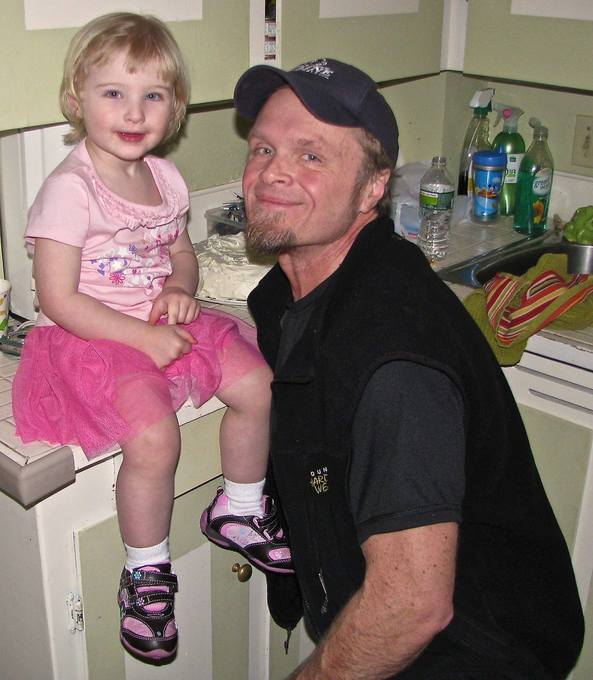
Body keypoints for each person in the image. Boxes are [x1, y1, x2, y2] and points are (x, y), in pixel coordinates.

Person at [233, 57, 585, 679]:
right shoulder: (291, 292)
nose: (273, 172)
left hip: (476, 653)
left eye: (311, 156)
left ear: (373, 188)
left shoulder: (393, 356)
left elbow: (411, 606)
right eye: (264, 148)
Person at [12, 12, 292, 666]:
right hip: (94, 337)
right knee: (154, 437)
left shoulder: (165, 178)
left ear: (176, 106)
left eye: (153, 95)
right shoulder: (69, 190)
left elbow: (180, 252)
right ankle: (145, 573)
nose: (134, 112)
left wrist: (180, 289)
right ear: (76, 98)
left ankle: (239, 508)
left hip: (158, 322)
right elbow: (57, 299)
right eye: (114, 92)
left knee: (261, 383)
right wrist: (141, 337)